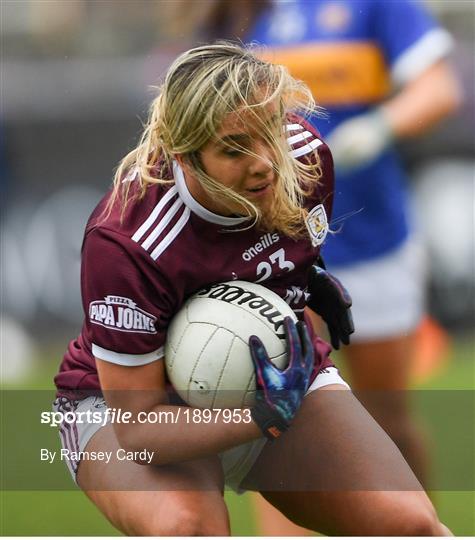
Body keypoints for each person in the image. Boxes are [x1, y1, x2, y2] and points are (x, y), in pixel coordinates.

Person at [53, 42, 450, 536]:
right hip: (141, 411)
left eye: (269, 131)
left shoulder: (304, 157)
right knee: (189, 529)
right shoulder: (128, 238)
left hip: (273, 378)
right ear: (185, 153)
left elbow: (276, 244)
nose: (264, 161)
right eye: (235, 148)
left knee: (410, 525)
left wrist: (309, 278)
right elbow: (138, 429)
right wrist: (262, 416)